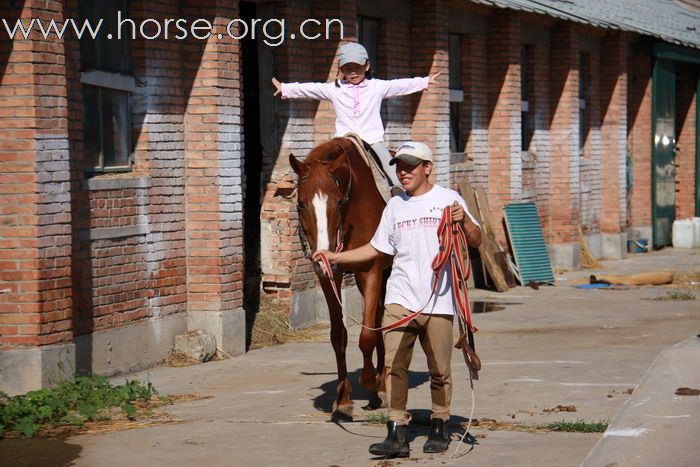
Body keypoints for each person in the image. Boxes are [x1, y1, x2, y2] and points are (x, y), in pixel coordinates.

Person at [312, 141, 482, 458]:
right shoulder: (394, 207)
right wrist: (337, 256)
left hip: (439, 301)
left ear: (428, 168)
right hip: (400, 300)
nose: (403, 172)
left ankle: (440, 425)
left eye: (410, 166)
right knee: (393, 369)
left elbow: (477, 239)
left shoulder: (449, 200)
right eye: (399, 167)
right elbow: (377, 249)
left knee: (439, 370)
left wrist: (464, 222)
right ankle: (396, 432)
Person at [272, 42, 441, 194]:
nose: (353, 72)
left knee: (390, 168)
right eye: (347, 68)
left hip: (372, 140)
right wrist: (286, 88)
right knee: (319, 166)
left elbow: (400, 85)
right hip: (343, 140)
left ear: (367, 66)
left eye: (357, 67)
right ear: (341, 69)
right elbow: (311, 89)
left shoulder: (377, 87)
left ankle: (397, 198)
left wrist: (425, 81)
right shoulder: (334, 89)